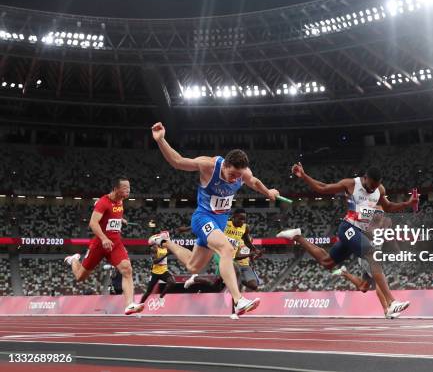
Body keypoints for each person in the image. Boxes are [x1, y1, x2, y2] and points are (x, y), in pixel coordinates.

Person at [151, 121, 279, 315]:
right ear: (225, 165)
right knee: (227, 249)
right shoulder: (208, 165)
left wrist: (267, 191)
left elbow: (253, 181)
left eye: (238, 176)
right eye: (232, 174)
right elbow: (177, 161)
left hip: (219, 222)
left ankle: (165, 242)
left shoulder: (242, 173)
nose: (235, 179)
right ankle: (238, 300)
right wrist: (161, 140)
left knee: (193, 266)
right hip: (203, 217)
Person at [277, 163, 418, 318]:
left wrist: (407, 203)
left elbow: (389, 206)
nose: (372, 189)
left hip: (359, 232)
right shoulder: (351, 184)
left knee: (328, 262)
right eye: (371, 186)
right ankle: (391, 302)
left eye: (376, 187)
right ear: (365, 178)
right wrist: (304, 176)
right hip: (348, 227)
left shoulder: (379, 190)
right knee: (372, 255)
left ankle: (297, 236)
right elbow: (322, 188)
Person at [64, 177, 144, 315]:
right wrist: (104, 238)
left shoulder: (121, 200)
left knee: (127, 269)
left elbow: (113, 213)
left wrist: (120, 220)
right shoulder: (103, 202)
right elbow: (93, 223)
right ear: (115, 188)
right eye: (125, 188)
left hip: (115, 243)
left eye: (129, 187)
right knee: (80, 277)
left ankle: (130, 304)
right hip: (100, 244)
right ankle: (73, 260)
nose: (128, 190)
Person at [139, 233, 177, 305]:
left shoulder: (167, 247)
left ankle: (161, 297)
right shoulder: (154, 248)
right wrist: (166, 255)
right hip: (155, 273)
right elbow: (155, 262)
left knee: (172, 282)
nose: (167, 241)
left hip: (164, 271)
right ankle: (139, 306)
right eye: (165, 240)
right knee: (148, 292)